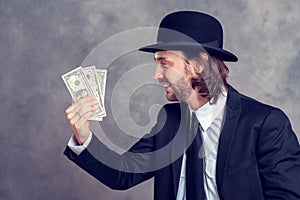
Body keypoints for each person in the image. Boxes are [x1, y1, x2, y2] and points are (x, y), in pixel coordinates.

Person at [64, 11, 300, 200]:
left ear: (197, 64)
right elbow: (122, 174)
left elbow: (287, 195)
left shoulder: (265, 122)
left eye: (165, 63)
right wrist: (83, 137)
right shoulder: (168, 120)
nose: (156, 75)